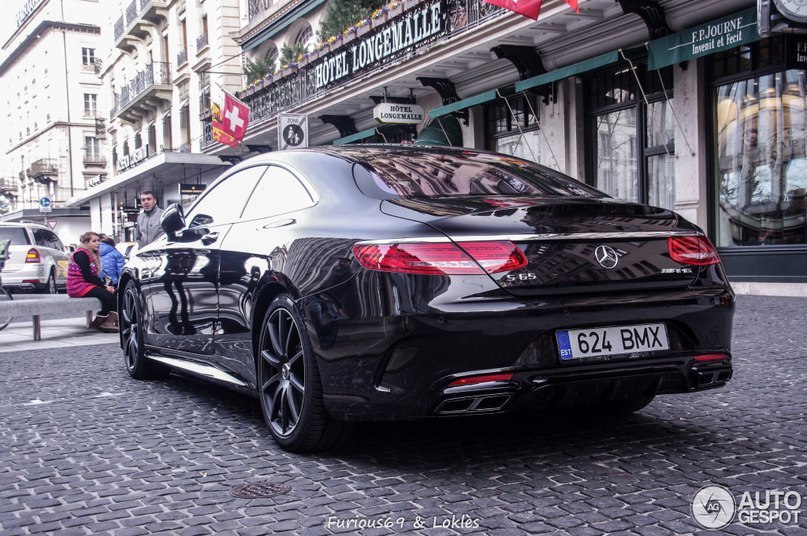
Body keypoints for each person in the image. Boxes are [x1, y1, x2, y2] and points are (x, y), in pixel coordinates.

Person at [67, 232, 118, 332]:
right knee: (109, 296)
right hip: (78, 286)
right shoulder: (81, 254)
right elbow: (88, 277)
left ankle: (109, 321)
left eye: (98, 241)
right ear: (86, 242)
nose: (98, 243)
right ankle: (99, 322)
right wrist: (104, 287)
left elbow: (94, 276)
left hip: (86, 285)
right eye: (94, 241)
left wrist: (106, 286)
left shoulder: (91, 254)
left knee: (114, 293)